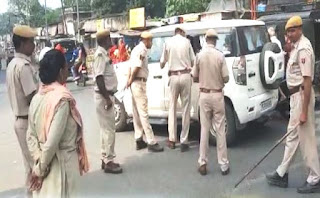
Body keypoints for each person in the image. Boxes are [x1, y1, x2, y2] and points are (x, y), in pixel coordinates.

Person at [266, 16, 320, 194]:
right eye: (287, 31)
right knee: (292, 137)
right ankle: (282, 173)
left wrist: (304, 111)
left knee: (307, 139)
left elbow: (306, 81)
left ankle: (315, 177)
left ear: (299, 29)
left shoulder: (303, 48)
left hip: (302, 96)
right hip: (295, 97)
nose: (289, 34)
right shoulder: (296, 47)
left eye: (292, 31)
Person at [26, 49, 89, 197]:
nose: (68, 71)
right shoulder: (61, 99)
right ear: (61, 71)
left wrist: (38, 159)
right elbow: (52, 142)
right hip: (60, 167)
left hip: (43, 162)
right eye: (66, 68)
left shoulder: (37, 97)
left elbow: (30, 135)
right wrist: (40, 170)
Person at [6, 25, 38, 197]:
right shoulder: (24, 66)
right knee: (38, 166)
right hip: (27, 122)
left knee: (29, 166)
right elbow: (32, 97)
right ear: (23, 44)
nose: (33, 45)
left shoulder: (12, 64)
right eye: (31, 42)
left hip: (20, 120)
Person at [192, 29, 230, 176]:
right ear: (215, 40)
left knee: (204, 129)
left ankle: (202, 162)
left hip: (204, 95)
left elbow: (194, 76)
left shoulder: (199, 56)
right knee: (220, 130)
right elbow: (226, 77)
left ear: (205, 40)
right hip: (217, 94)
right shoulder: (220, 55)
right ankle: (224, 165)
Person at [126, 31, 164, 152]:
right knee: (143, 113)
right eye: (150, 41)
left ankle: (139, 138)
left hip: (134, 83)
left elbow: (130, 66)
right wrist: (131, 79)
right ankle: (151, 141)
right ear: (145, 40)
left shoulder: (135, 49)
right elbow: (137, 66)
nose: (151, 43)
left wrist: (129, 80)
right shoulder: (142, 50)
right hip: (138, 82)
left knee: (136, 113)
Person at [160, 27, 195, 152]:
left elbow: (162, 62)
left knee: (172, 108)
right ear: (182, 32)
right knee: (186, 108)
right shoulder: (187, 42)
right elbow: (193, 60)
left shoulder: (168, 42)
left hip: (173, 76)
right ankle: (184, 140)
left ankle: (172, 139)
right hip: (185, 75)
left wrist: (168, 62)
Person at [93, 29, 123, 174]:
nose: (111, 41)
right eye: (109, 38)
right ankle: (109, 160)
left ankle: (105, 159)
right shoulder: (100, 55)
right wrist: (106, 98)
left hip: (106, 95)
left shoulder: (104, 54)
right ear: (105, 40)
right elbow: (99, 78)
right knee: (109, 130)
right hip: (103, 96)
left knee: (105, 130)